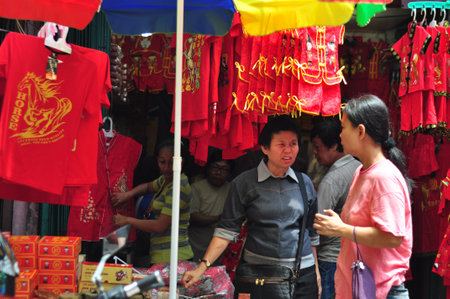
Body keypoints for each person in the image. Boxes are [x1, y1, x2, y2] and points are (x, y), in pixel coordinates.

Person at [182, 116, 320, 298]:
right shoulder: (244, 183)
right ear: (265, 148)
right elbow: (226, 230)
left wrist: (316, 272)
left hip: (303, 275)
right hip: (260, 275)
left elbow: (310, 232)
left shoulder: (305, 183)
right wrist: (202, 267)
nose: (288, 150)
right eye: (281, 144)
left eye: (293, 144)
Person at [313, 94, 413, 299]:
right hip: (361, 290)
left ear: (360, 131)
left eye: (343, 127)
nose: (339, 135)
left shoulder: (383, 176)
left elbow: (392, 237)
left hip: (381, 291)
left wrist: (342, 229)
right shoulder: (362, 171)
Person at [111, 139, 194, 264]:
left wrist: (127, 220)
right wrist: (128, 195)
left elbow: (160, 226)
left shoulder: (178, 186)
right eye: (162, 162)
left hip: (174, 258)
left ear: (181, 161)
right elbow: (148, 187)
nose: (166, 168)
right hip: (162, 255)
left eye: (172, 163)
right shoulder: (166, 180)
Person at [310, 118, 361, 299]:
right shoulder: (360, 167)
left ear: (333, 145)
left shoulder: (332, 180)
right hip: (355, 257)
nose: (315, 153)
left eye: (318, 147)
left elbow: (318, 228)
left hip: (331, 259)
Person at [188, 151, 232, 265]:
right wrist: (219, 218)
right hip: (196, 246)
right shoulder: (196, 187)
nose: (218, 172)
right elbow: (192, 216)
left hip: (221, 248)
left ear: (229, 173)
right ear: (208, 169)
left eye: (224, 169)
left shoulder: (232, 189)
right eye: (215, 167)